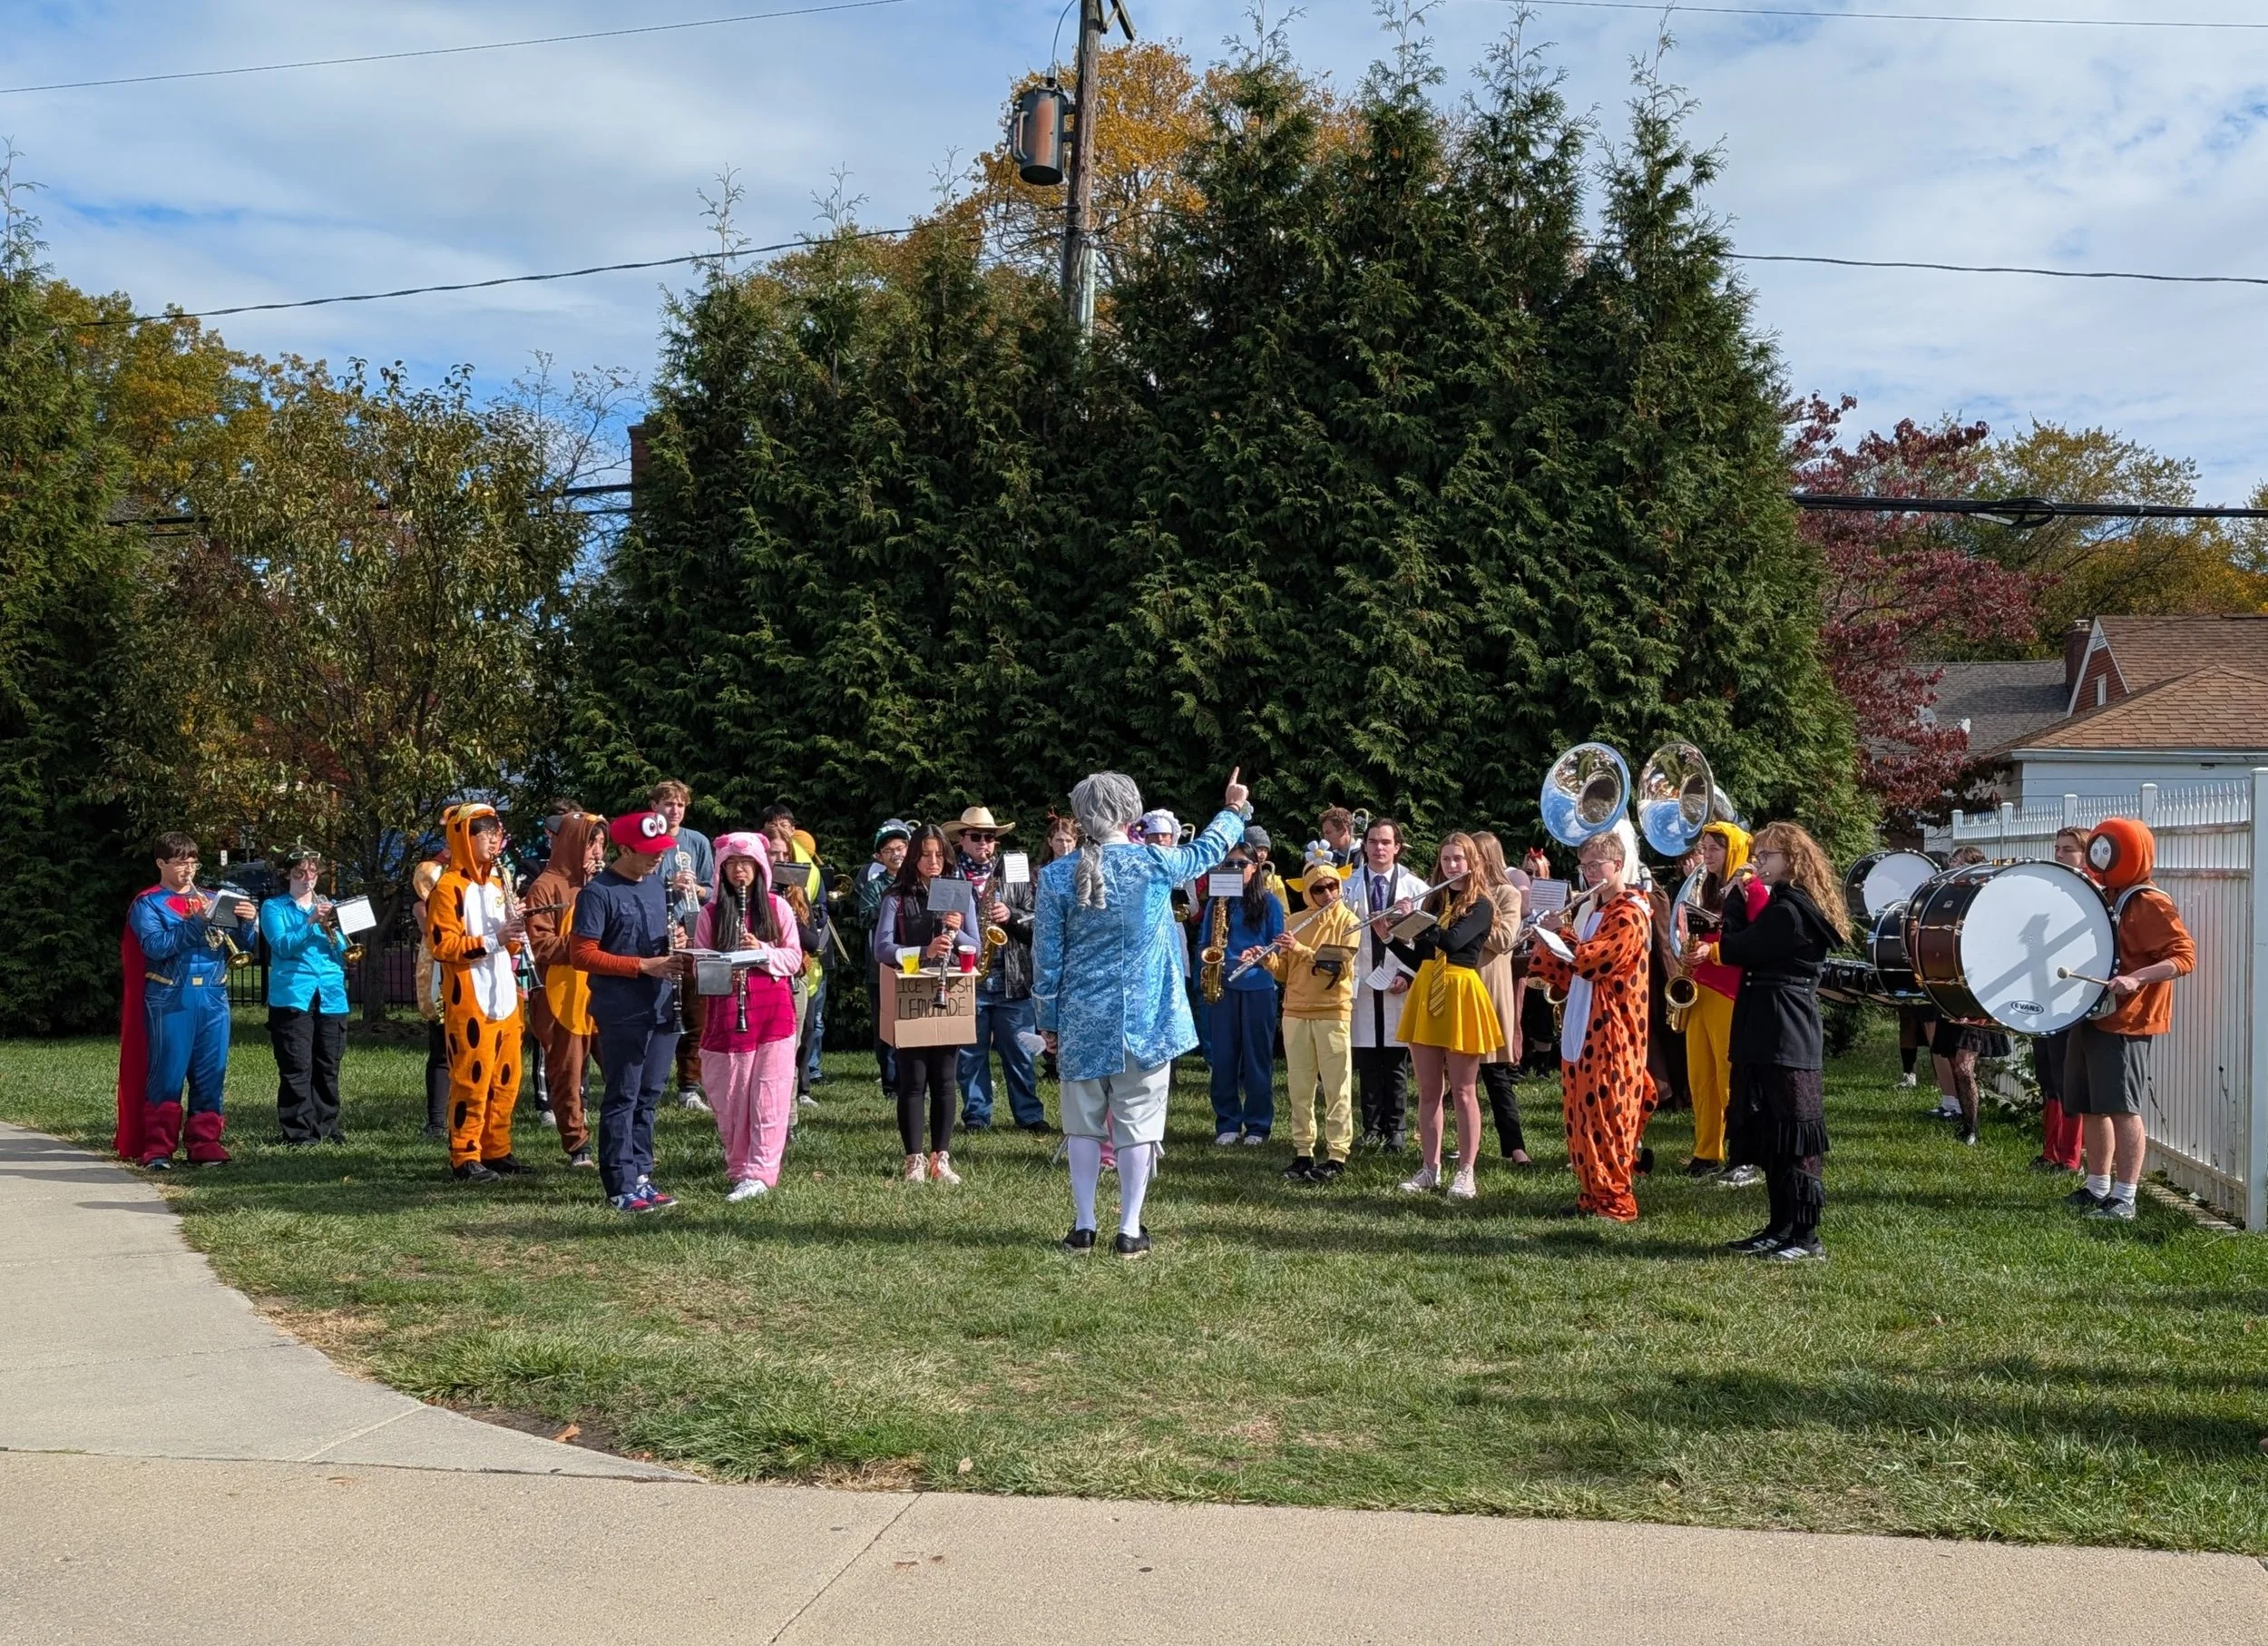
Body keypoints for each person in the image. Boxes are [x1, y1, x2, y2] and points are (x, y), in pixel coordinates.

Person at [1033, 768, 1248, 1259]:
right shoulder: (1155, 861)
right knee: (1140, 1121)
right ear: (1131, 812)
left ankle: (1084, 1226)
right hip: (1148, 1016)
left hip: (1082, 1015)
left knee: (1083, 1121)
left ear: (1082, 815)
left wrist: (1047, 1020)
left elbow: (1048, 956)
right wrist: (1234, 808)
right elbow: (1209, 849)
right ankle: (1129, 1229)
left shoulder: (1056, 874)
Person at [1696, 821, 1846, 1261]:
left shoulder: (1792, 910)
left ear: (1792, 862)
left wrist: (1736, 905)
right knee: (1773, 1131)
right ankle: (1780, 1227)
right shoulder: (1782, 904)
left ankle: (1806, 1237)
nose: (1756, 863)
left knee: (1796, 1132)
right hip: (1766, 1023)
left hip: (1787, 1028)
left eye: (1766, 857)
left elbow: (1741, 948)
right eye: (1757, 855)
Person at [2065, 818, 2195, 1222]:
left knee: (2122, 1108)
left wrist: (2136, 978)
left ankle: (2125, 1198)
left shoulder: (2151, 901)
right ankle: (2097, 1186)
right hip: (2092, 1014)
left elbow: (2184, 956)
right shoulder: (2104, 896)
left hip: (2127, 1021)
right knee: (2090, 1105)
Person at [1526, 822, 1653, 1221]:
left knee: (1608, 1114)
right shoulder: (1593, 912)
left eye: (1596, 865)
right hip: (1584, 1024)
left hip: (1613, 1030)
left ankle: (1617, 1201)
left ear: (1617, 865)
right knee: (1581, 1115)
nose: (1589, 874)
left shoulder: (1631, 913)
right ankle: (1592, 1194)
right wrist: (1547, 941)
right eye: (1584, 866)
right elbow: (1570, 971)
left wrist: (1559, 935)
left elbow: (1596, 961)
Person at [569, 809, 686, 1213]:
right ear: (624, 849)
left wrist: (676, 940)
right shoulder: (598, 893)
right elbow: (581, 954)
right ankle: (619, 1182)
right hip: (621, 1009)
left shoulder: (656, 886)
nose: (657, 857)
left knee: (650, 1094)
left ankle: (642, 1174)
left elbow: (657, 937)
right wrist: (642, 965)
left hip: (662, 1005)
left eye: (661, 850)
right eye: (649, 851)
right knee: (624, 1094)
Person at [117, 833, 253, 1169]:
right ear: (161, 863)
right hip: (169, 996)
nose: (188, 869)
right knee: (167, 1073)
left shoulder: (211, 898)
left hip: (213, 994)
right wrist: (197, 921)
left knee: (210, 1073)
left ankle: (205, 1142)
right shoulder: (148, 903)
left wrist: (249, 923)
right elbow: (156, 947)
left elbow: (240, 942)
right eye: (180, 862)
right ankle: (158, 1147)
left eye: (193, 862)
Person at [1385, 832, 1501, 1200]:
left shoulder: (1481, 905)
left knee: (1465, 1090)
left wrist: (1416, 921)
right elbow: (1421, 959)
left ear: (1472, 863)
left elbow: (1451, 944)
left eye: (1459, 859)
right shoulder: (1435, 902)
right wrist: (1389, 937)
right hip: (1427, 991)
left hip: (1461, 992)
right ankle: (1429, 1168)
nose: (1452, 866)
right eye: (1447, 859)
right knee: (1429, 1091)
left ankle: (1466, 1172)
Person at [694, 832, 805, 1200]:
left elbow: (794, 958)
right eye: (732, 865)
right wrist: (725, 970)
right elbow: (701, 967)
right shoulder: (709, 914)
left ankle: (761, 1171)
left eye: (747, 865)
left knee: (770, 1093)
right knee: (732, 1093)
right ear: (721, 870)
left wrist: (761, 950)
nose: (740, 872)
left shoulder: (778, 907)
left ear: (760, 869)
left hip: (773, 1013)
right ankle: (739, 1164)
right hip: (728, 1012)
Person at [426, 805, 533, 1182]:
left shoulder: (498, 884)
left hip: (504, 994)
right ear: (463, 838)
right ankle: (464, 1155)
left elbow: (510, 947)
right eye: (483, 831)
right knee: (472, 1079)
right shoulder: (448, 888)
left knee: (507, 1078)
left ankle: (497, 1149)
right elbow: (443, 946)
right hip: (470, 998)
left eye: (495, 831)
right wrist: (495, 938)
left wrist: (515, 932)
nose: (492, 838)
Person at [873, 824, 979, 1182]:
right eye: (925, 854)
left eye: (939, 855)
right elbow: (882, 948)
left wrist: (956, 929)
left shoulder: (958, 894)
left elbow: (975, 946)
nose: (933, 862)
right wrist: (923, 951)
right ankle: (914, 1158)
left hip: (950, 990)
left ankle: (941, 1158)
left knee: (946, 1080)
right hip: (911, 991)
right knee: (913, 1079)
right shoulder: (896, 897)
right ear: (914, 857)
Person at [1261, 861, 1363, 1183]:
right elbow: (1285, 972)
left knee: (1337, 1087)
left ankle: (1337, 1155)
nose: (1327, 893)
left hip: (1333, 1011)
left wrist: (1301, 948)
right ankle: (1303, 1152)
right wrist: (1266, 960)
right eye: (1318, 889)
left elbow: (1338, 966)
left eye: (1332, 886)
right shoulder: (1295, 920)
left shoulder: (1350, 921)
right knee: (1299, 1086)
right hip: (1295, 1010)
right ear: (1308, 892)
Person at [949, 805, 1045, 1132]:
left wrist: (1013, 915)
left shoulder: (1017, 870)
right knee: (969, 1054)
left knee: (1020, 1054)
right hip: (967, 979)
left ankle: (1029, 1116)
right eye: (976, 837)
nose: (983, 844)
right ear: (962, 839)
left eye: (989, 838)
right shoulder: (950, 875)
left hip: (1013, 980)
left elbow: (1038, 922)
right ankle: (976, 1115)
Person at [1682, 821, 1765, 1181]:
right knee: (1701, 1076)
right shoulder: (1708, 885)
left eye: (1714, 848)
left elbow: (1757, 941)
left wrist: (1712, 949)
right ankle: (1706, 1152)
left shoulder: (1751, 887)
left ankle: (1744, 1156)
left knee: (1731, 1078)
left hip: (1732, 990)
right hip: (1702, 989)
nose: (1706, 855)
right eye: (1704, 848)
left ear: (1732, 850)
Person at [525, 810, 605, 1170]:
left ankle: (624, 1141)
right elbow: (539, 945)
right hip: (561, 994)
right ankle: (578, 1146)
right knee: (568, 1073)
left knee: (620, 1068)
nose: (598, 851)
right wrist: (582, 944)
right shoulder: (546, 885)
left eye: (603, 843)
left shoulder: (604, 884)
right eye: (592, 842)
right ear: (573, 842)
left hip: (602, 991)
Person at [260, 845, 352, 1147]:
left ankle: (327, 1126)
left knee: (328, 1063)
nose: (308, 878)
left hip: (331, 992)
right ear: (287, 874)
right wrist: (310, 920)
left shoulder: (331, 906)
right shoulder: (274, 908)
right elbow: (283, 946)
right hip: (293, 994)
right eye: (300, 872)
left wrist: (336, 929)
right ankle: (299, 1132)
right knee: (297, 1065)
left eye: (313, 872)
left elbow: (345, 952)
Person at [1349, 817, 1427, 1149]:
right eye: (1372, 842)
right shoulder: (1346, 887)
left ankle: (1396, 1128)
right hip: (1363, 981)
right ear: (1364, 846)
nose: (1379, 848)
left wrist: (1407, 975)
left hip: (1399, 978)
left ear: (1397, 847)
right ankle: (1371, 1126)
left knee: (1395, 1059)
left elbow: (1423, 940)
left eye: (1385, 842)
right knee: (1367, 1057)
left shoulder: (1417, 888)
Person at [1203, 839, 1285, 1146]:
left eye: (1241, 864)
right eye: (1230, 864)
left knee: (1256, 1058)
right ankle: (1227, 1122)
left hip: (1257, 987)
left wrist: (1258, 956)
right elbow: (1204, 942)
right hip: (1223, 986)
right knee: (1223, 1057)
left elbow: (1278, 945)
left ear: (1255, 868)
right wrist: (1208, 961)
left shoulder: (1269, 902)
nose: (1235, 869)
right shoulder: (1217, 902)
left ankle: (1258, 1125)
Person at [1931, 845, 2007, 1144]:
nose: (1952, 869)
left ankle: (1973, 1128)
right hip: (1952, 990)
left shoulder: (1990, 905)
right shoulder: (1949, 901)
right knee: (1953, 1061)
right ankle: (1966, 1123)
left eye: (1958, 865)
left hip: (1978, 995)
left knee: (1964, 1065)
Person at [2026, 827, 2091, 1175]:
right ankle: (2051, 1151)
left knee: (2068, 1081)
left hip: (2072, 998)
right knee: (2048, 1075)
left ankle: (2070, 1157)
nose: (2060, 854)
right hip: (2044, 995)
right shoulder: (2052, 891)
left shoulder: (2089, 894)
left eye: (2068, 849)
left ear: (2085, 854)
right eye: (2057, 848)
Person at [649, 780, 716, 1112]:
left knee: (694, 1010)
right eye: (667, 804)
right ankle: (653, 1080)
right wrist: (668, 884)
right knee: (658, 1011)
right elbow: (636, 882)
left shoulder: (697, 842)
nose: (674, 811)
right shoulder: (646, 840)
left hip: (691, 933)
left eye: (679, 805)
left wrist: (698, 891)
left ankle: (689, 1086)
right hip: (654, 935)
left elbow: (713, 889)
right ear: (654, 807)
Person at [1469, 832, 1530, 1166]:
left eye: (1473, 856)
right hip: (1461, 985)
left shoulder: (1507, 893)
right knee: (1460, 1077)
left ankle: (1515, 1146)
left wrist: (1471, 923)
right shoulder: (1462, 893)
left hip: (1490, 987)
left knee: (1495, 1072)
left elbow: (1506, 938)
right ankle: (1467, 1144)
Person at [762, 804, 827, 1100]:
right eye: (771, 854)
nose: (777, 860)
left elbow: (813, 940)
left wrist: (786, 914)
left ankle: (789, 1120)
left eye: (783, 854)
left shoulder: (795, 893)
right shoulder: (748, 893)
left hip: (795, 978)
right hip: (760, 981)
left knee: (793, 1048)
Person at [854, 819, 914, 1097]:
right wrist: (891, 906)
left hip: (916, 963)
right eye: (889, 850)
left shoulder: (920, 884)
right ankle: (891, 1083)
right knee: (886, 1026)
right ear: (879, 857)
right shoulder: (874, 887)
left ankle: (915, 1080)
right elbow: (864, 916)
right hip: (882, 966)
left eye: (901, 847)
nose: (896, 854)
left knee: (913, 1021)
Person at [409, 838, 450, 1139]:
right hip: (442, 962)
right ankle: (437, 1121)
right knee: (441, 1048)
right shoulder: (433, 871)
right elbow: (430, 921)